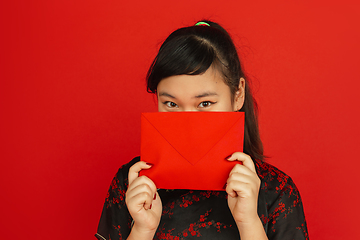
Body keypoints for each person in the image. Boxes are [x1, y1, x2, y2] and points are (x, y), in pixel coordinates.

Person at [95, 20, 309, 240]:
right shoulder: (132, 183)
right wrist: (142, 230)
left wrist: (249, 223)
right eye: (171, 104)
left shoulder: (277, 191)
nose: (188, 122)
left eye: (205, 104)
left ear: (238, 95)